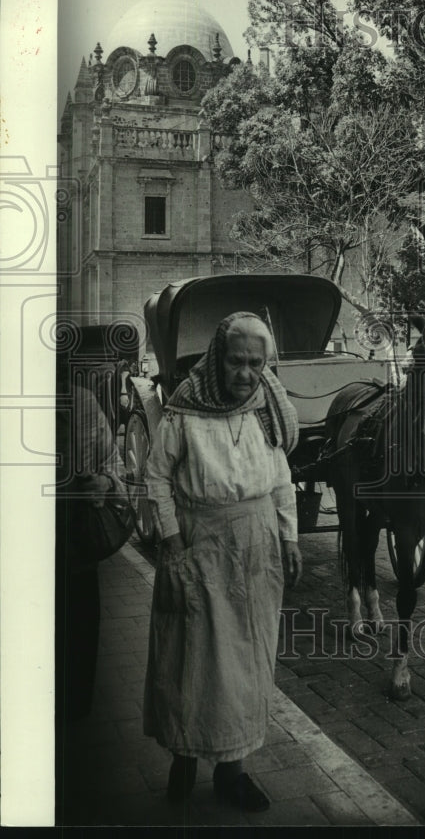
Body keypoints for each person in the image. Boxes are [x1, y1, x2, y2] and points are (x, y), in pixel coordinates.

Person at [143, 312, 303, 812]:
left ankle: (233, 773)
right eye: (237, 361)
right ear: (219, 358)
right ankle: (185, 756)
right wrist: (172, 543)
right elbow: (156, 478)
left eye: (256, 364)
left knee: (246, 665)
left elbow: (280, 477)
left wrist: (290, 539)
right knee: (193, 661)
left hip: (256, 551)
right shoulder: (183, 412)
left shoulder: (265, 410)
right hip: (199, 546)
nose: (246, 373)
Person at [56, 378, 127, 723]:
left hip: (76, 553)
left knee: (79, 649)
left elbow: (114, 465)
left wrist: (105, 483)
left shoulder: (83, 403)